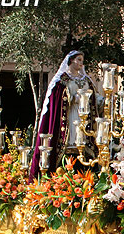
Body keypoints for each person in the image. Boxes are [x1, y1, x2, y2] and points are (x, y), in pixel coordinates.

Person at [29, 50, 105, 180]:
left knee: (84, 139)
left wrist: (102, 100)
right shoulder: (62, 80)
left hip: (84, 117)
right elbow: (56, 100)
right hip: (70, 115)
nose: (81, 63)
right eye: (79, 60)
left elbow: (94, 96)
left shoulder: (86, 79)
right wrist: (72, 98)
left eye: (82, 60)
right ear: (71, 60)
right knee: (72, 139)